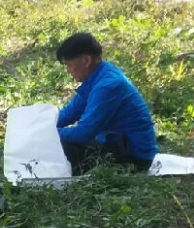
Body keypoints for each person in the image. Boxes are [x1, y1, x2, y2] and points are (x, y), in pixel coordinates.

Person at [55, 32, 157, 175]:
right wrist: (41, 125)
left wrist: (49, 134)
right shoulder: (98, 76)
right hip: (116, 143)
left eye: (70, 65)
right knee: (57, 142)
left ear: (86, 60)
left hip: (134, 158)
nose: (68, 71)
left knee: (58, 146)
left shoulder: (108, 85)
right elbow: (70, 113)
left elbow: (84, 132)